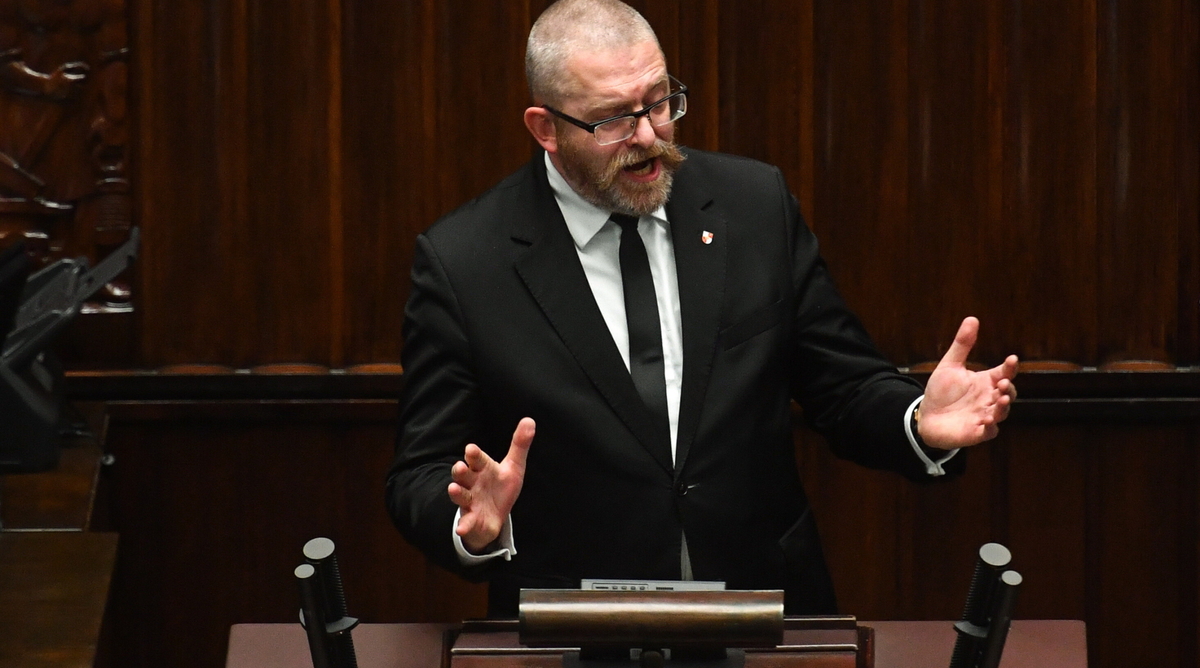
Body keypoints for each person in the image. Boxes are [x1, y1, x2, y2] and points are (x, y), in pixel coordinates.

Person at [385, 0, 1018, 617]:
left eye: (659, 102)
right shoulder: (465, 263)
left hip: (765, 613)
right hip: (573, 632)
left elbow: (844, 386)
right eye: (611, 120)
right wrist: (471, 525)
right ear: (544, 128)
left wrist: (916, 421)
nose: (648, 135)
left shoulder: (753, 207)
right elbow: (420, 471)